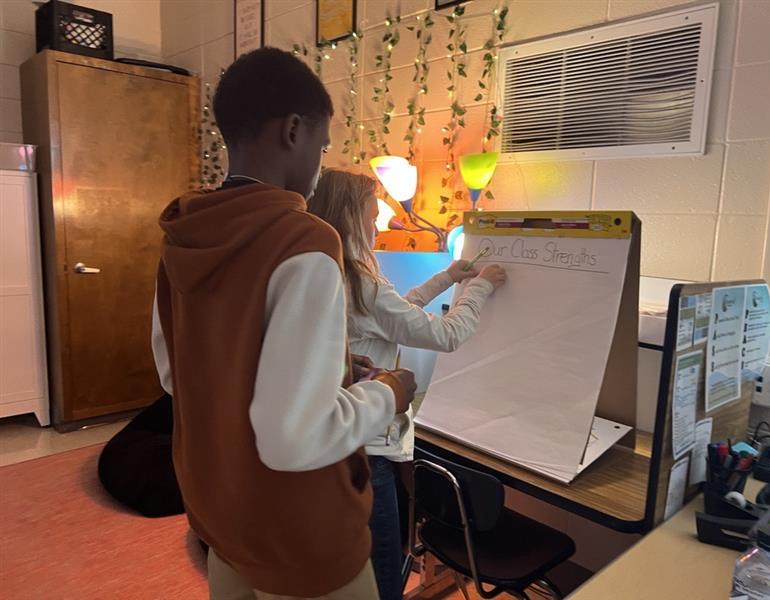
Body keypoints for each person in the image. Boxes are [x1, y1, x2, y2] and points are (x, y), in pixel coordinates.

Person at [151, 47, 417, 600]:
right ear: (294, 130)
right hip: (301, 529)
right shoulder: (305, 239)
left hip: (222, 510)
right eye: (323, 145)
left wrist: (337, 371)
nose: (320, 168)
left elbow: (179, 374)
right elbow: (293, 439)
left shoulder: (183, 234)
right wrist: (388, 395)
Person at [307, 169, 506, 600]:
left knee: (364, 553)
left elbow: (398, 313)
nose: (375, 223)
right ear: (348, 215)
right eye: (371, 213)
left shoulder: (331, 274)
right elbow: (445, 335)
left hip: (340, 435)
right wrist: (480, 288)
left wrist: (450, 278)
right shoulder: (361, 283)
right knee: (381, 562)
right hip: (370, 442)